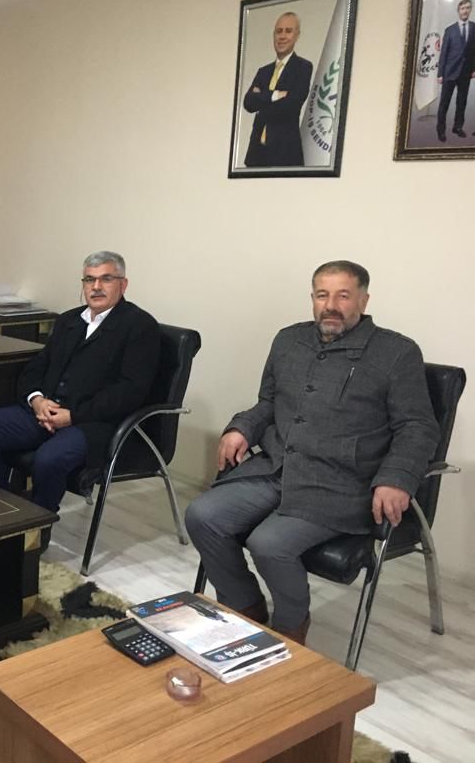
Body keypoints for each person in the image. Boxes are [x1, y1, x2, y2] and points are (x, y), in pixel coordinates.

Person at [185, 261, 438, 644]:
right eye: (322, 295)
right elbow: (268, 403)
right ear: (313, 298)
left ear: (364, 300)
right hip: (276, 467)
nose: (330, 305)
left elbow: (417, 427)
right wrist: (242, 427)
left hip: (341, 483)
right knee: (203, 516)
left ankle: (290, 629)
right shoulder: (289, 340)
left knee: (269, 543)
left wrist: (397, 478)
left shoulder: (396, 352)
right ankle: (245, 607)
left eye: (343, 295)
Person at [0, 251, 161, 534]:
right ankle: (1, 518)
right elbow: (36, 368)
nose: (96, 287)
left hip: (94, 423)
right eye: (89, 280)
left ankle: (35, 531)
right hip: (47, 413)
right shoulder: (69, 320)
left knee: (49, 458)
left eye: (106, 279)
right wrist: (37, 400)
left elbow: (130, 392)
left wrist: (73, 416)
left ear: (123, 284)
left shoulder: (140, 327)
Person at [243, 12, 313, 167]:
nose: (282, 36)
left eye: (288, 31)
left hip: (285, 155)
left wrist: (260, 99)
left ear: (297, 35)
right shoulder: (263, 71)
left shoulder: (303, 67)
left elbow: (291, 105)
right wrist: (274, 96)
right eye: (278, 31)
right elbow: (248, 103)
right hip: (256, 155)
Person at [436, 0, 475, 143]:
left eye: (468, 8)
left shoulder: (474, 28)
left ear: (470, 10)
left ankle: (457, 127)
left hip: (466, 73)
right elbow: (444, 53)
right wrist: (440, 74)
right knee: (444, 103)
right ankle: (441, 130)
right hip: (449, 72)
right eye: (463, 8)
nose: (465, 11)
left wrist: (474, 69)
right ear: (458, 11)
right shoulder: (450, 30)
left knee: (461, 102)